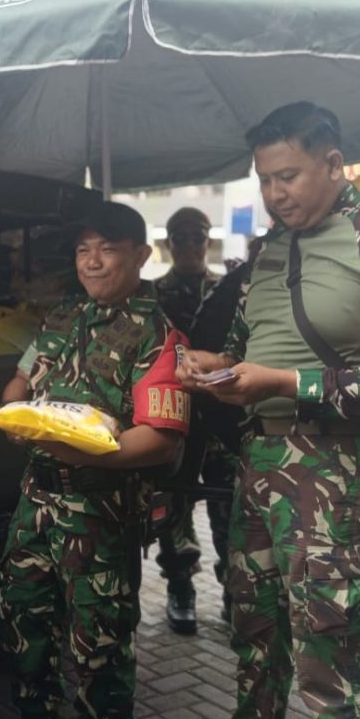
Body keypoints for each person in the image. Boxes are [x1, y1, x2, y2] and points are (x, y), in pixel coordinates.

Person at [177, 102, 360, 719]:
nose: (275, 194)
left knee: (331, 651)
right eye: (266, 180)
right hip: (259, 464)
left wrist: (289, 383)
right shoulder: (268, 253)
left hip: (343, 476)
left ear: (333, 164)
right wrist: (213, 367)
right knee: (255, 633)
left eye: (289, 176)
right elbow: (246, 347)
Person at [0, 201, 191, 719]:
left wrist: (81, 453)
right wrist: (13, 414)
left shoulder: (160, 335)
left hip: (101, 517)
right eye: (83, 250)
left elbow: (161, 437)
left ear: (142, 256)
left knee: (100, 642)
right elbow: (20, 377)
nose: (93, 262)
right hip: (36, 507)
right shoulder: (60, 318)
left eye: (108, 249)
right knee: (23, 620)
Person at [153, 206, 218, 634]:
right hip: (177, 414)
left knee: (229, 501)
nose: (190, 246)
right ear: (169, 244)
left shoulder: (229, 287)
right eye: (181, 238)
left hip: (223, 416)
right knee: (174, 504)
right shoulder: (153, 293)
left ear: (208, 242)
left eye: (198, 238)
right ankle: (181, 588)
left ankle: (236, 588)